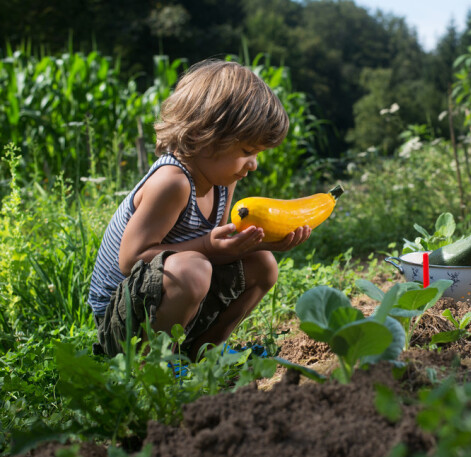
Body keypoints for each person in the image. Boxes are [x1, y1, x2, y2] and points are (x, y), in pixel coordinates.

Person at [88, 59, 311, 360]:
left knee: (263, 264)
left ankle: (203, 355)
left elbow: (219, 247)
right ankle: (150, 367)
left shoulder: (221, 181)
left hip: (165, 299)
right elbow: (131, 260)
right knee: (193, 269)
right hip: (121, 321)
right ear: (206, 136)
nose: (254, 165)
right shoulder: (172, 183)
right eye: (247, 152)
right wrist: (207, 246)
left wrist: (262, 242)